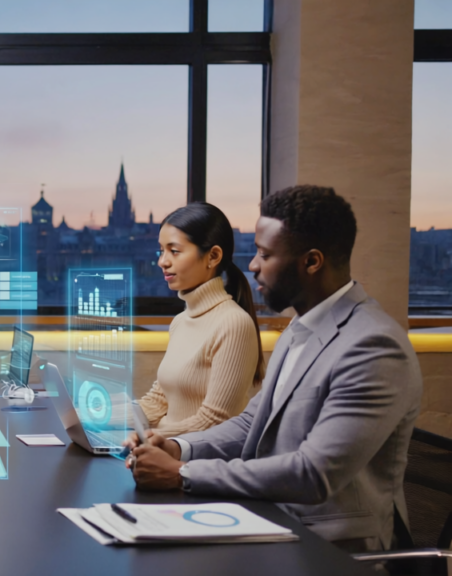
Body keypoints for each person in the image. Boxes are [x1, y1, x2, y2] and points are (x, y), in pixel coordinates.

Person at [126, 185, 422, 552]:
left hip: (332, 548)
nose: (251, 266)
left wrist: (183, 474)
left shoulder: (373, 346)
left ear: (311, 262)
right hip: (268, 519)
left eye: (265, 255)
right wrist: (178, 447)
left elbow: (313, 474)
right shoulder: (300, 329)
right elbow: (252, 423)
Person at [133, 202, 265, 437]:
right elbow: (157, 402)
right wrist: (88, 418)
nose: (162, 261)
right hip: (164, 452)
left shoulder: (234, 323)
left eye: (174, 251)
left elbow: (216, 422)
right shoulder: (181, 321)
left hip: (197, 464)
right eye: (161, 250)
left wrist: (150, 437)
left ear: (213, 256)